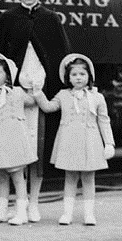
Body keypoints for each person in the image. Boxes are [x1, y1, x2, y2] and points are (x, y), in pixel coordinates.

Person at [0, 0, 71, 222]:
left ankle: (32, 203)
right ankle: (10, 204)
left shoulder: (51, 18)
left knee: (36, 149)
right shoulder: (8, 18)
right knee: (9, 149)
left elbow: (61, 56)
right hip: (13, 95)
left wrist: (51, 91)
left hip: (40, 95)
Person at [33, 53, 115, 225]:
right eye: (74, 75)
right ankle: (67, 214)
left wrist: (109, 143)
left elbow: (104, 120)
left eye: (82, 74)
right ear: (68, 77)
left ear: (89, 76)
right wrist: (37, 93)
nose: (78, 78)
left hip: (89, 141)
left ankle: (89, 214)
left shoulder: (97, 97)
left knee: (88, 177)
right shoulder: (63, 95)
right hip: (68, 141)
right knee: (70, 177)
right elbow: (49, 107)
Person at [0, 51, 38, 226]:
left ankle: (21, 212)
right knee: (2, 177)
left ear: (8, 76)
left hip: (15, 141)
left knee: (18, 176)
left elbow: (32, 101)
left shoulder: (17, 93)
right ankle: (1, 211)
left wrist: (33, 86)